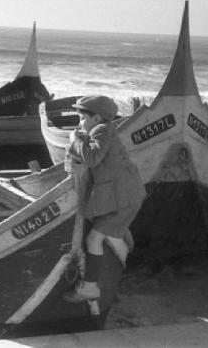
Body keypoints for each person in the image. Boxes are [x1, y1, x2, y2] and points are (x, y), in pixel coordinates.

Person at [62, 96, 146, 303]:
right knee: (109, 236)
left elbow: (92, 158)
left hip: (123, 199)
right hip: (125, 196)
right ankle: (112, 278)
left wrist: (74, 139)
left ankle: (91, 288)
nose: (79, 123)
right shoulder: (102, 130)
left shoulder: (102, 130)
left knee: (94, 239)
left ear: (96, 117)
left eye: (82, 118)